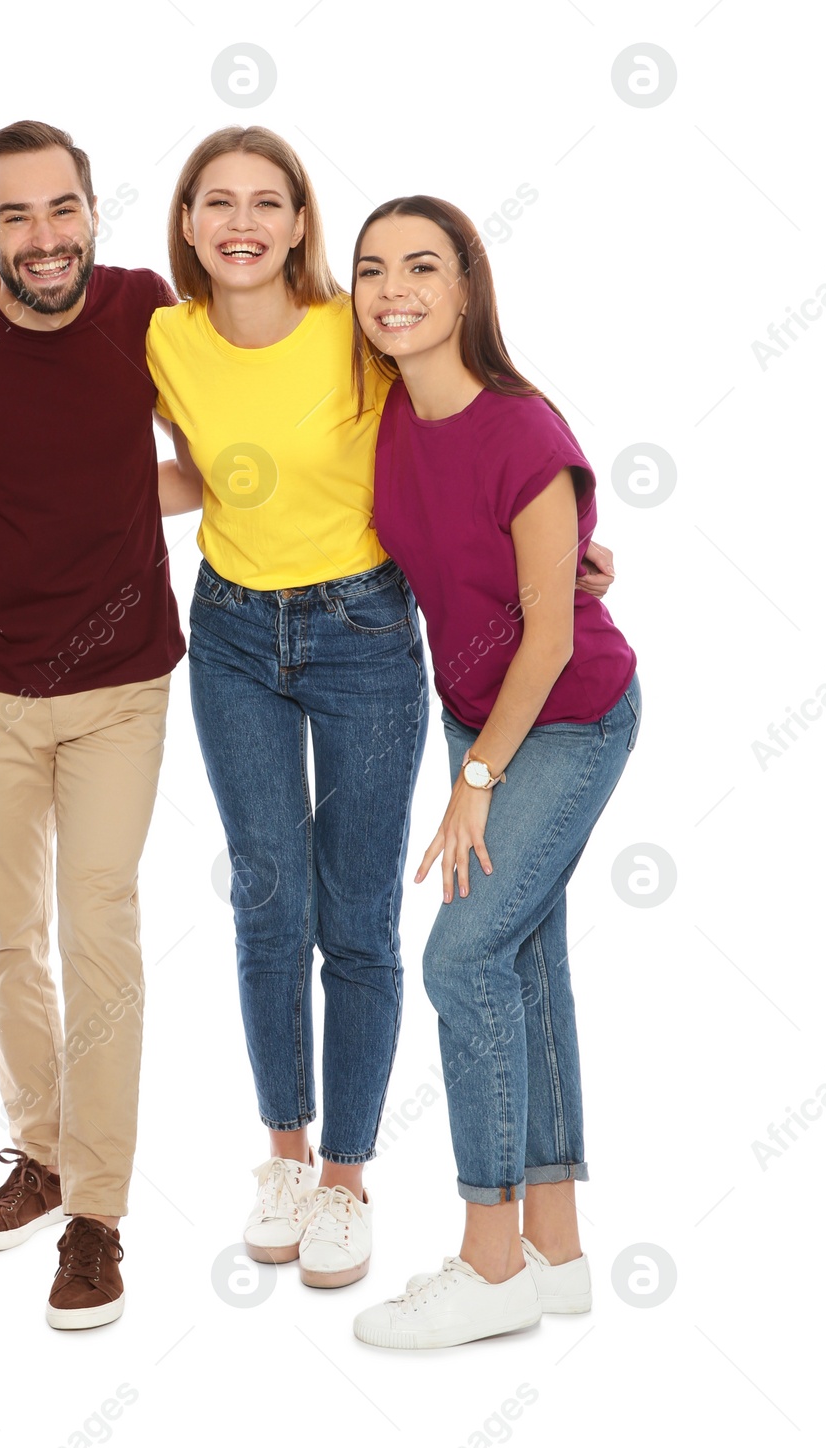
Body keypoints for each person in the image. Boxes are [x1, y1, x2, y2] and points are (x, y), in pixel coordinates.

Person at [145, 128, 615, 1294]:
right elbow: (217, 467)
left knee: (361, 916)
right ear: (188, 220)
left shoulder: (357, 343)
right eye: (218, 201)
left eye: (268, 200)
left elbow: (487, 465)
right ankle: (288, 1162)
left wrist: (557, 559)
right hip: (236, 634)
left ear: (302, 223)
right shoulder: (167, 336)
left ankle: (354, 1184)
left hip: (368, 640)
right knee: (267, 897)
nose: (241, 220)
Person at [0, 121, 188, 1330]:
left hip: (121, 679)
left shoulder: (144, 310)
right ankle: (40, 1149)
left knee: (98, 923)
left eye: (60, 210)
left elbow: (229, 448)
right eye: (16, 217)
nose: (44, 236)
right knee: (7, 932)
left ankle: (98, 1215)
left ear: (92, 212)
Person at [347, 196, 639, 1349]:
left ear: (467, 289)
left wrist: (475, 782)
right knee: (520, 959)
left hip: (567, 716)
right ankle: (555, 1252)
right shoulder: (383, 416)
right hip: (478, 718)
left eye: (422, 266)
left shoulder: (521, 428)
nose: (393, 288)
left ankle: (487, 1259)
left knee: (460, 954)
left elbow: (555, 638)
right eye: (372, 270)